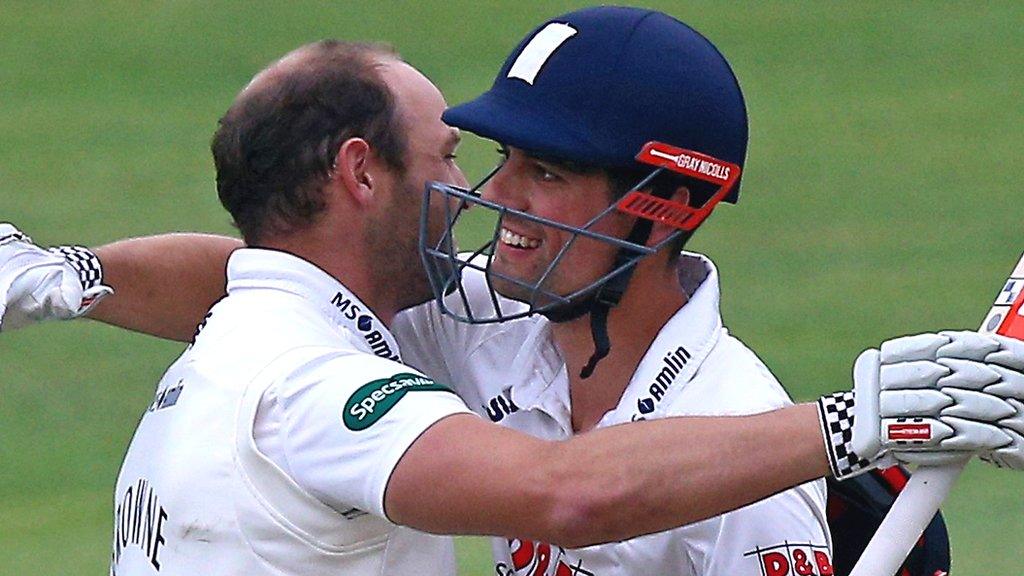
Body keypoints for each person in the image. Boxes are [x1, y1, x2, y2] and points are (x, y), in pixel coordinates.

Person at [1, 13, 1022, 576]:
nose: (497, 200)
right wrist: (64, 280)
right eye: (501, 159)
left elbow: (584, 492)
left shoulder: (748, 449)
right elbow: (268, 280)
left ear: (664, 203)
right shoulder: (481, 322)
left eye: (547, 173)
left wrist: (843, 434)